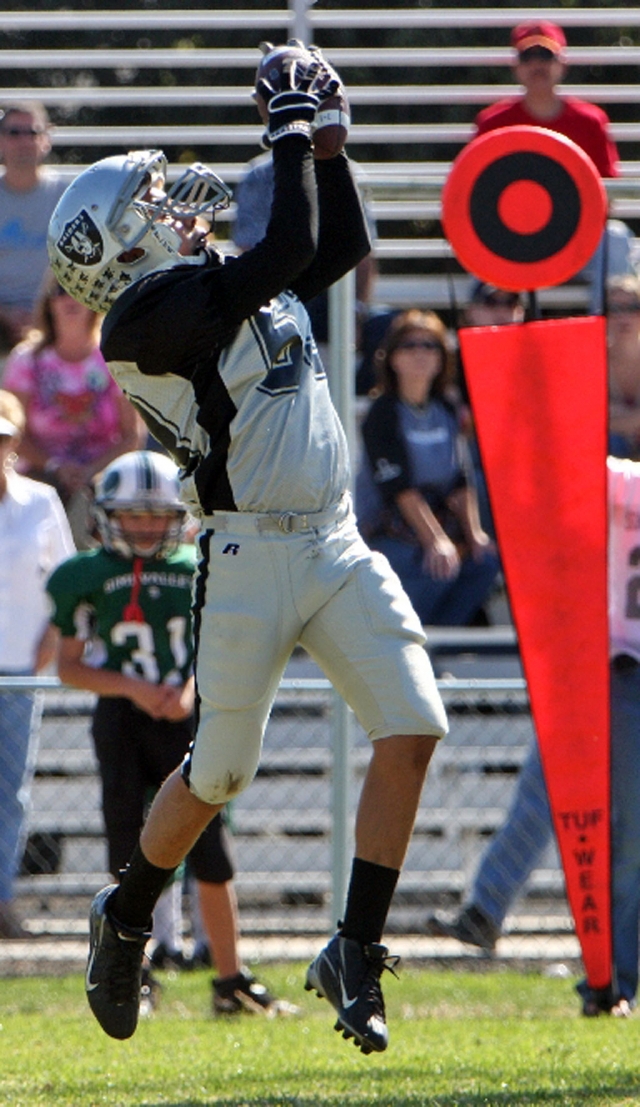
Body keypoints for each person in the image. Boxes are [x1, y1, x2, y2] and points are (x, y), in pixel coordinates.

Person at [47, 45, 448, 1054]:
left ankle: (353, 949)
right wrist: (288, 122)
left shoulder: (203, 280)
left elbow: (334, 237)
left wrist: (333, 140)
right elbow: (286, 248)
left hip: (337, 539)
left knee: (414, 727)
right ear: (123, 251)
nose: (173, 204)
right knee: (219, 772)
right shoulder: (143, 320)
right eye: (149, 204)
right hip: (248, 554)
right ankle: (127, 912)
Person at [46, 449, 296, 1017]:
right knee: (125, 849)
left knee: (211, 848)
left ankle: (230, 978)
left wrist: (187, 689)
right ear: (107, 515)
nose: (142, 525)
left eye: (155, 514)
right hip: (121, 717)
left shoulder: (199, 566)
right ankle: (132, 977)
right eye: (131, 514)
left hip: (187, 715)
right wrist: (134, 689)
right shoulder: (85, 575)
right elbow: (67, 665)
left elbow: (228, 646)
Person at [427, 455, 640, 1018]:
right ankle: (487, 910)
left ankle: (614, 978)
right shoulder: (619, 480)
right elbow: (566, 470)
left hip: (632, 676)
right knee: (541, 792)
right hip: (592, 665)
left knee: (630, 837)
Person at [474, 20, 632, 314]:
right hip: (512, 239)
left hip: (577, 240)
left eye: (546, 56)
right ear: (516, 66)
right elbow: (477, 192)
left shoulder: (590, 120)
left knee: (617, 239)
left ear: (562, 63)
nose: (537, 65)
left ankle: (611, 345)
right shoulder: (492, 122)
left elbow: (607, 194)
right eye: (527, 57)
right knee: (480, 247)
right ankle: (494, 343)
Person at [356, 309, 500, 626]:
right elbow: (399, 489)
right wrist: (436, 541)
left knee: (485, 562)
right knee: (433, 564)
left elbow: (462, 480)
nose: (420, 353)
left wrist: (474, 535)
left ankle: (439, 644)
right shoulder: (383, 413)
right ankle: (404, 643)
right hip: (389, 529)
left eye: (430, 345)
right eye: (409, 345)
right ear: (392, 357)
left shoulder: (446, 409)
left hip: (439, 523)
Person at [0, 389, 74, 939]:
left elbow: (67, 584)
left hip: (20, 669)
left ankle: (1, 901)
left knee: (10, 792)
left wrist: (48, 645)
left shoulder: (41, 501)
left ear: (15, 442)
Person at [2, 269, 144, 546]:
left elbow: (132, 437)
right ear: (48, 303)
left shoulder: (114, 359)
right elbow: (11, 434)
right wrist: (57, 467)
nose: (69, 299)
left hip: (104, 476)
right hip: (39, 474)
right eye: (60, 291)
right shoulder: (26, 361)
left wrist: (90, 472)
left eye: (79, 291)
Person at [0, 101, 67, 356]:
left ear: (46, 139)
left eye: (33, 132)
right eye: (14, 133)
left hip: (57, 319)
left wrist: (43, 317)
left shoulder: (67, 197)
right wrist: (6, 316)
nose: (24, 141)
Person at [607, 274, 640, 460]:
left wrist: (618, 416)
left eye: (633, 308)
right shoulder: (597, 359)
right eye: (616, 308)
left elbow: (608, 417)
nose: (624, 316)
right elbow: (592, 418)